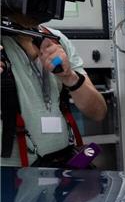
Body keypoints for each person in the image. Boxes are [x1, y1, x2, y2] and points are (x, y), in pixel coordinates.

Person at [2, 18, 106, 167]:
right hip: (10, 177)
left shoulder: (56, 40)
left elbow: (98, 112)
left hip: (62, 167)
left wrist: (69, 76)